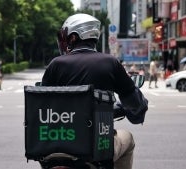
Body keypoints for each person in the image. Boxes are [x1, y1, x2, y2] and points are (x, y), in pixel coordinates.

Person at [41, 13, 148, 169]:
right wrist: (134, 107)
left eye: (65, 37)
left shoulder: (55, 64)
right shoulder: (110, 63)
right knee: (128, 139)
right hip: (96, 148)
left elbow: (42, 106)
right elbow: (135, 107)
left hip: (55, 147)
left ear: (73, 38)